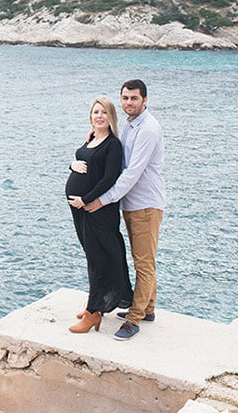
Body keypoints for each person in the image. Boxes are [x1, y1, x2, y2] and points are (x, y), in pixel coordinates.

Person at [84, 79, 165, 341]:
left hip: (145, 204)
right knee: (140, 258)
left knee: (143, 262)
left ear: (145, 100)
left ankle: (134, 318)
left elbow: (131, 173)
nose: (129, 102)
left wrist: (102, 200)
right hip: (131, 204)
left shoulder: (148, 128)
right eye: (125, 98)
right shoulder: (130, 125)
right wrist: (94, 137)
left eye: (134, 98)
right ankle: (148, 308)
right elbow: (115, 154)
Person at [65, 97, 133, 333]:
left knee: (98, 258)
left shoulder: (113, 145)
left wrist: (86, 200)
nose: (99, 116)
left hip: (98, 211)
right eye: (95, 112)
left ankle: (94, 313)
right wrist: (71, 166)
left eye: (104, 112)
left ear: (111, 116)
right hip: (83, 211)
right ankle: (95, 304)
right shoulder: (92, 138)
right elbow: (82, 161)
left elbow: (109, 178)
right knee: (93, 256)